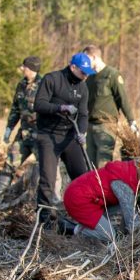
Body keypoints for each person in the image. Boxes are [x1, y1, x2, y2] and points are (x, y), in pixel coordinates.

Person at [33, 52, 95, 225]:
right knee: (48, 179)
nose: (85, 75)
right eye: (83, 72)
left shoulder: (83, 87)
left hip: (69, 136)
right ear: (72, 67)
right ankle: (44, 221)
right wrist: (60, 107)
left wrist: (81, 133)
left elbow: (83, 115)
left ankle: (85, 216)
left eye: (87, 72)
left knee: (82, 176)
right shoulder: (52, 79)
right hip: (48, 135)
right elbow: (39, 104)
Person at [58, 157, 140, 241]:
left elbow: (127, 208)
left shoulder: (128, 173)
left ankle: (87, 226)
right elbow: (132, 220)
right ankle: (73, 229)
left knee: (123, 206)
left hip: (89, 198)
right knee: (110, 236)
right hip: (79, 199)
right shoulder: (124, 184)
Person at [0, 56, 43, 195]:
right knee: (9, 164)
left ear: (31, 69)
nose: (22, 69)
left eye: (24, 67)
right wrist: (6, 135)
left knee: (43, 169)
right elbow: (15, 111)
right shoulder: (21, 85)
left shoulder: (44, 85)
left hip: (40, 137)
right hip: (23, 136)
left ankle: (38, 200)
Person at [85, 45, 136, 168]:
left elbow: (122, 98)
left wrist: (131, 120)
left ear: (94, 57)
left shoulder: (112, 74)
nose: (85, 63)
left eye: (87, 59)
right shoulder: (89, 78)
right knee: (89, 163)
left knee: (103, 163)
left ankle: (102, 187)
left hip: (106, 126)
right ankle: (92, 187)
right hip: (90, 125)